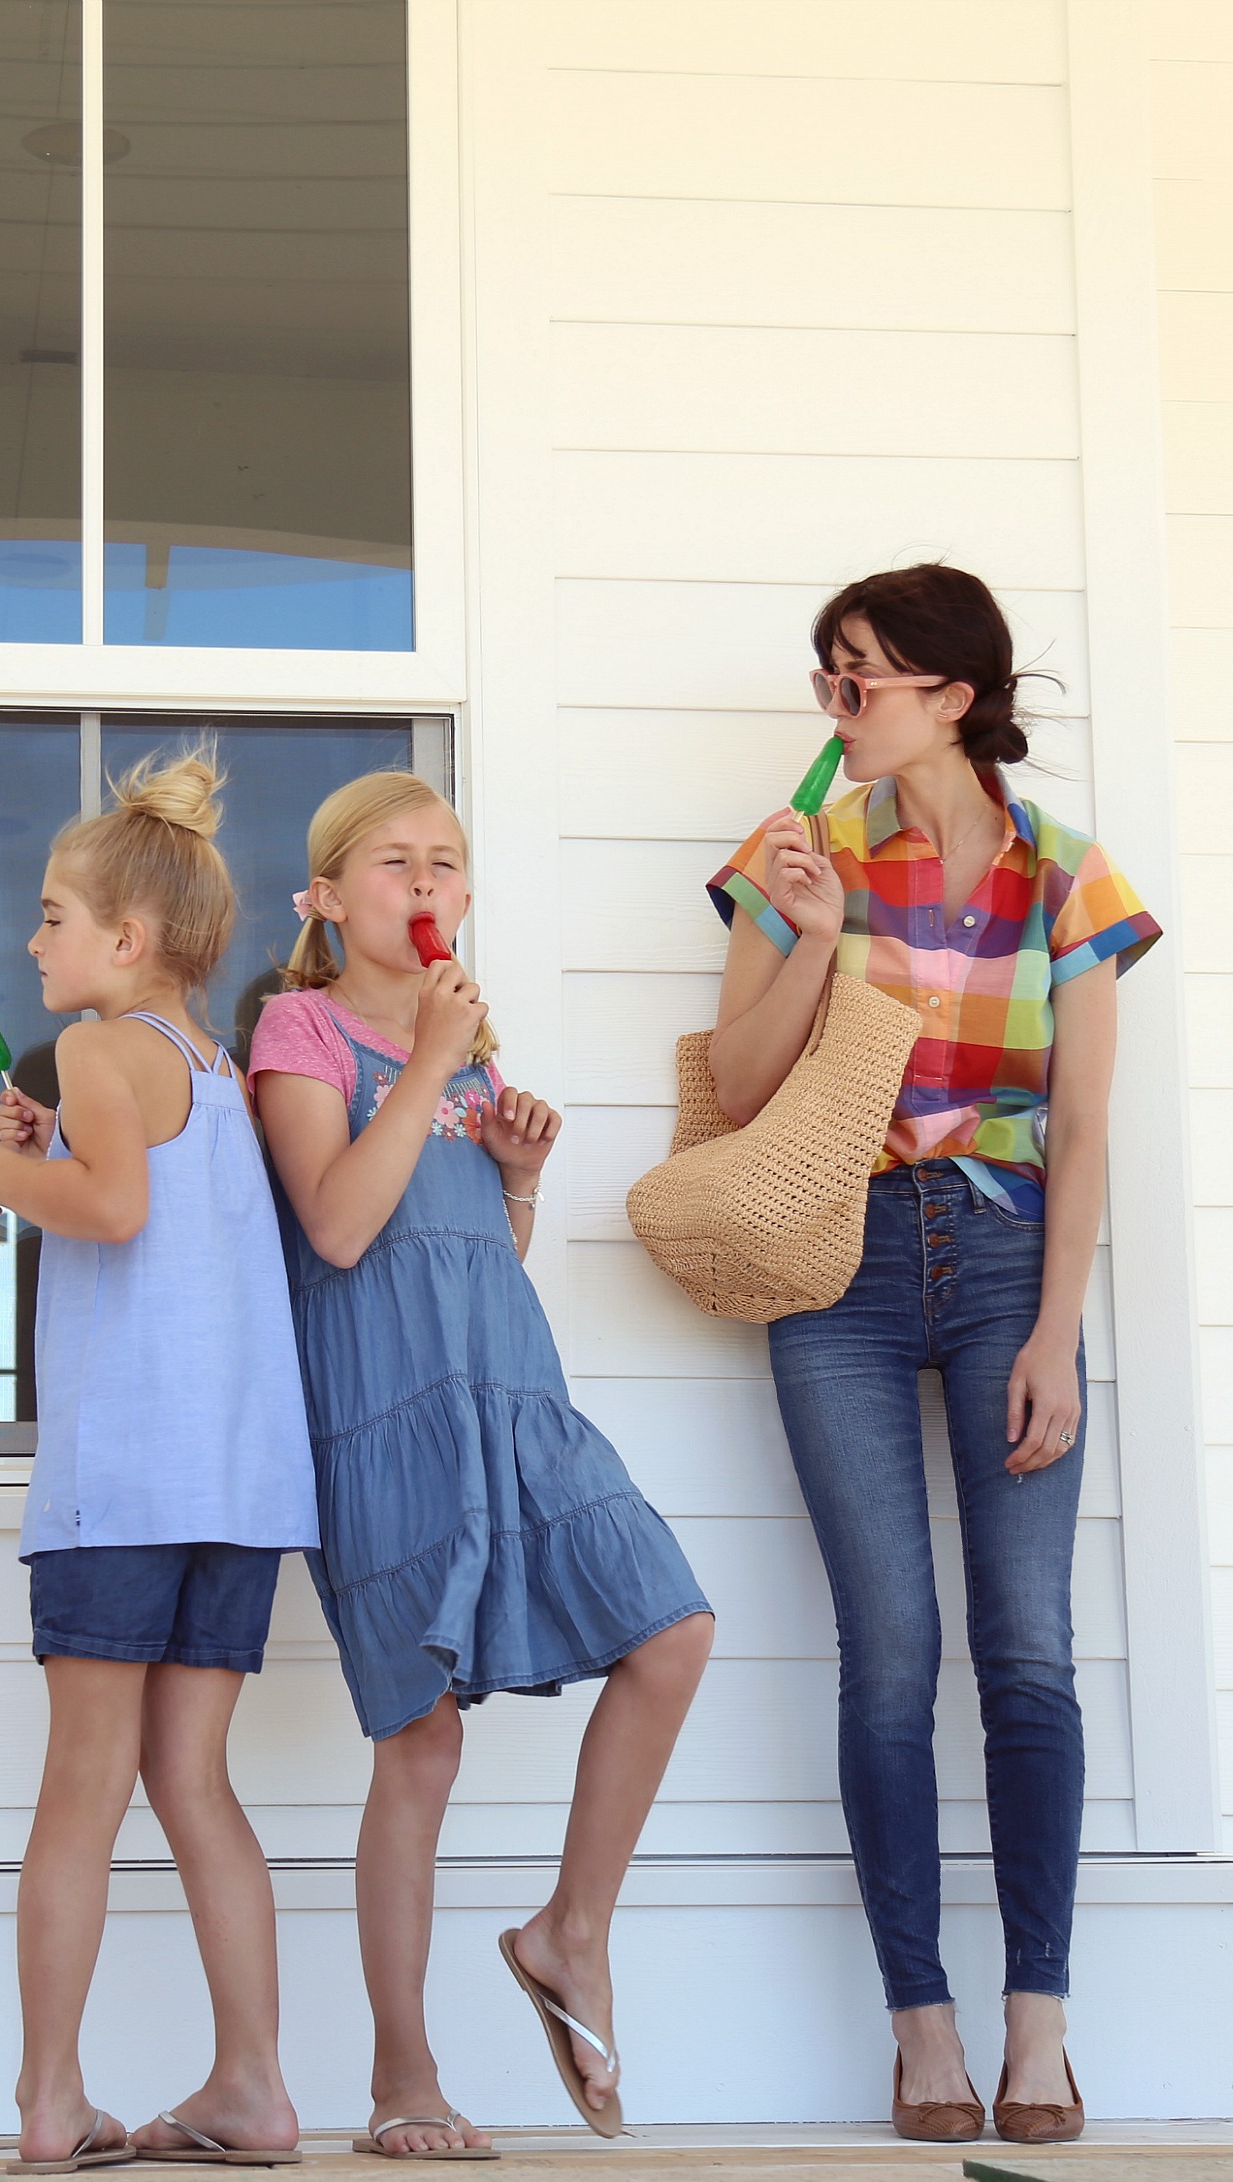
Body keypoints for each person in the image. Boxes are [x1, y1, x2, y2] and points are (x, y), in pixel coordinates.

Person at [704, 564, 1158, 2147]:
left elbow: (1085, 1121)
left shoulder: (1068, 875)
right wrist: (815, 942)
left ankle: (1039, 2023)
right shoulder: (800, 850)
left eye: (863, 679)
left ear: (949, 697)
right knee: (886, 1652)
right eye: (828, 679)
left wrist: (1057, 1331)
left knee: (1026, 1644)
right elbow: (739, 1080)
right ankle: (922, 2028)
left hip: (1009, 1258)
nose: (838, 707)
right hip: (837, 1251)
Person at [253, 771, 714, 2160]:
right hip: (383, 1421)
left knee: (672, 1629)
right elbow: (337, 1227)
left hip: (512, 1401)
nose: (427, 885)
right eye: (394, 863)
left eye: (446, 864)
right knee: (422, 1739)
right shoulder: (299, 1026)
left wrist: (512, 1176)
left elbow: (469, 1256)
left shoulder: (473, 1051)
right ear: (326, 899)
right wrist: (436, 1072)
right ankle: (404, 2075)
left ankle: (568, 1927)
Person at [0, 750, 320, 2175]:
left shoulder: (98, 1051)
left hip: (122, 1486)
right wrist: (54, 1153)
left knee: (81, 1790)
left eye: (52, 915)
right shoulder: (215, 1072)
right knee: (196, 1782)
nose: (32, 939)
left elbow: (107, 1208)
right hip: (235, 1490)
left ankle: (50, 2098)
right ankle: (254, 2087)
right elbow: (150, 1199)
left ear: (128, 939)